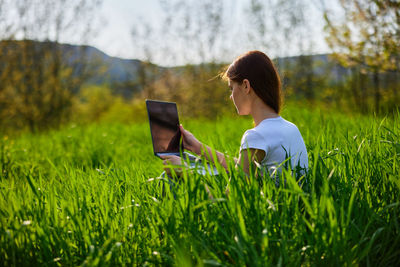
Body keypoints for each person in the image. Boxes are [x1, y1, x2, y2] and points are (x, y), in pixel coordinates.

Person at [160, 50, 308, 180]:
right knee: (202, 166)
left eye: (231, 89)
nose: (231, 96)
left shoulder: (257, 136)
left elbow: (228, 203)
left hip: (264, 210)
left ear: (246, 86)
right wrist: (197, 147)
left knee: (168, 178)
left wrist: (184, 172)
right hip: (288, 207)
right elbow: (242, 169)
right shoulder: (290, 128)